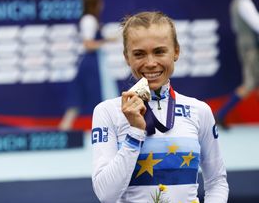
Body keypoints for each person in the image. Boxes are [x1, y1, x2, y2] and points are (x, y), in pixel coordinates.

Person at [91, 11, 229, 202]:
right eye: (139, 54)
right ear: (126, 57)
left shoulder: (200, 110)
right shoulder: (107, 112)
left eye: (159, 51)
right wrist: (134, 133)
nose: (150, 63)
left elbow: (217, 182)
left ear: (176, 52)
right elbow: (106, 195)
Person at [59, 0, 116, 131]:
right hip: (91, 64)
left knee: (81, 95)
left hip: (95, 62)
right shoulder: (89, 20)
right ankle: (66, 128)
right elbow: (88, 45)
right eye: (100, 2)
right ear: (95, 4)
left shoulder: (91, 20)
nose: (102, 5)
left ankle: (65, 127)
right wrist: (107, 41)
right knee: (91, 95)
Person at [215, 0, 259, 129]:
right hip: (250, 48)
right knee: (250, 83)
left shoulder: (238, 2)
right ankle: (221, 114)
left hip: (248, 47)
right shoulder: (243, 3)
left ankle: (221, 114)